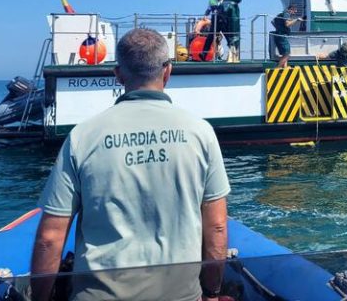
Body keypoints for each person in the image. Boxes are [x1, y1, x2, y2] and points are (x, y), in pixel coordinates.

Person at [30, 28, 231, 301]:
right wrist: (211, 292)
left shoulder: (82, 137)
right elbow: (216, 227)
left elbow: (50, 238)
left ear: (118, 74)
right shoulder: (202, 133)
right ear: (167, 72)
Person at [272, 4, 303, 68]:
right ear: (291, 9)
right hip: (282, 36)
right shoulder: (287, 14)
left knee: (284, 54)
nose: (295, 12)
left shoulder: (281, 14)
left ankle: (285, 68)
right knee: (287, 54)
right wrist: (296, 20)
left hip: (278, 35)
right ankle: (277, 69)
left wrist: (279, 28)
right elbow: (287, 24)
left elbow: (272, 21)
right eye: (295, 11)